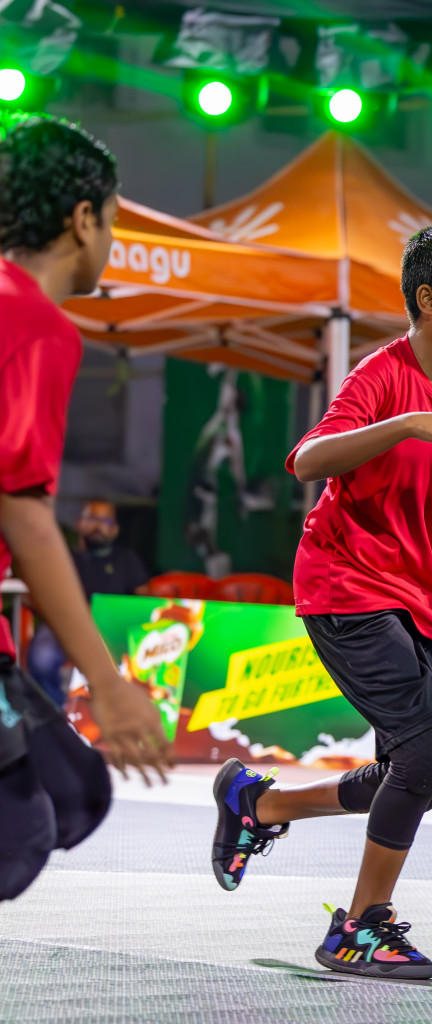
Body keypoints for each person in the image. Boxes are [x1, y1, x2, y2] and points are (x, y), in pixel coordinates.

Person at [206, 225, 432, 980]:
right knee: (425, 755)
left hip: (412, 594)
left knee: (417, 771)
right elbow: (307, 459)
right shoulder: (382, 376)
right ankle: (360, 929)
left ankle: (255, 807)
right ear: (429, 301)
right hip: (344, 582)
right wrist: (404, 423)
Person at [0, 113, 172, 899]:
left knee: (70, 796)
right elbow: (24, 511)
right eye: (113, 218)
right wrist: (106, 679)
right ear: (82, 220)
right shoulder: (34, 323)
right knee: (34, 825)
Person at [27, 498, 151, 707]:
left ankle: (128, 709)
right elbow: (36, 593)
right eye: (93, 519)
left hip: (115, 628)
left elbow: (145, 598)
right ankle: (55, 713)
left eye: (106, 521)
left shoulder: (127, 560)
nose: (99, 526)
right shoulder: (63, 558)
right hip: (65, 624)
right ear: (79, 523)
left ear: (115, 530)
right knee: (43, 655)